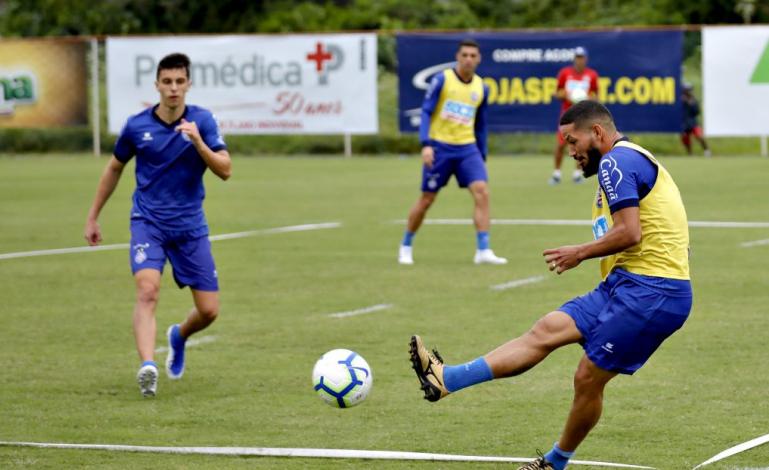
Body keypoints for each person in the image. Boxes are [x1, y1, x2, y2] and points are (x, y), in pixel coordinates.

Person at [410, 100, 692, 470]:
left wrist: (580, 252)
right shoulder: (623, 160)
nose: (570, 151)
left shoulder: (616, 161)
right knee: (547, 329)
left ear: (597, 133)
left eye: (572, 141)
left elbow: (630, 232)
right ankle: (446, 379)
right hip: (625, 283)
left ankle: (555, 463)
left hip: (654, 290)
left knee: (587, 378)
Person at [84, 53, 231, 398]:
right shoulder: (137, 126)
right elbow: (114, 168)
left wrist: (198, 142)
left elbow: (225, 169)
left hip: (191, 226)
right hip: (148, 222)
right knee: (147, 290)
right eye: (167, 82)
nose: (174, 89)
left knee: (209, 311)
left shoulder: (203, 122)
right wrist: (93, 215)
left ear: (188, 84)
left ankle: (178, 336)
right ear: (157, 86)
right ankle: (147, 365)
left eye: (180, 82)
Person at [398, 38, 506, 265]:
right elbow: (427, 112)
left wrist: (482, 153)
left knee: (482, 192)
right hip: (440, 147)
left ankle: (483, 250)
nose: (468, 59)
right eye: (464, 55)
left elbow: (481, 124)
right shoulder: (442, 80)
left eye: (473, 56)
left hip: (467, 148)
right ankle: (406, 245)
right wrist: (426, 143)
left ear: (479, 59)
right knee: (427, 199)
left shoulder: (481, 87)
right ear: (457, 57)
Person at [550, 47, 599, 185]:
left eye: (582, 57)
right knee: (561, 144)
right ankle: (556, 173)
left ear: (586, 59)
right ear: (574, 59)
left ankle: (577, 174)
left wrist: (588, 98)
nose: (580, 60)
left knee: (582, 145)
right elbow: (556, 93)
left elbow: (596, 95)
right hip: (567, 115)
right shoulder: (565, 73)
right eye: (577, 57)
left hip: (583, 116)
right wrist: (567, 95)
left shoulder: (592, 75)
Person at [681, 83, 711, 157]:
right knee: (686, 139)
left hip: (693, 123)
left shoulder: (693, 100)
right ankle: (690, 154)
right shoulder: (680, 100)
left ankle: (706, 151)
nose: (689, 92)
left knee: (699, 136)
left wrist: (691, 104)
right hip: (684, 123)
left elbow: (697, 112)